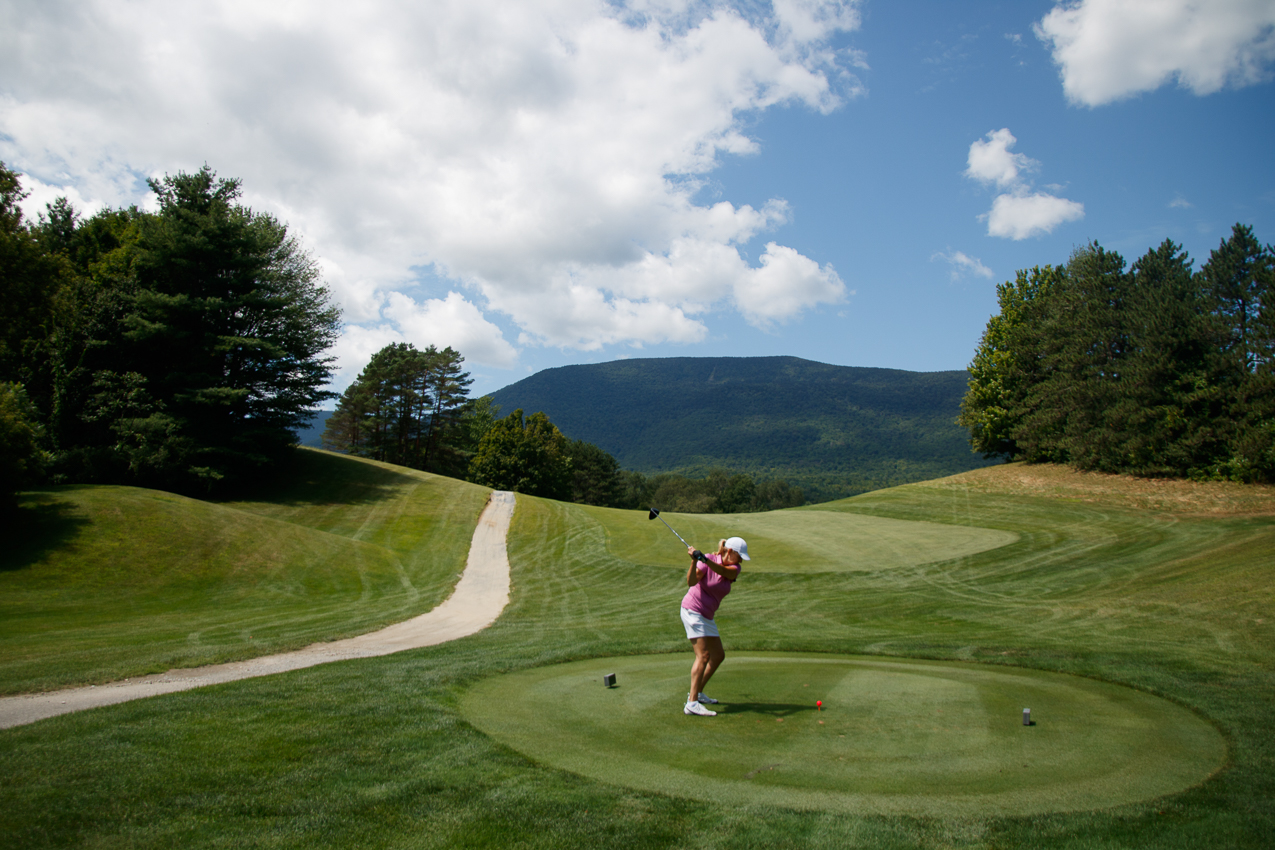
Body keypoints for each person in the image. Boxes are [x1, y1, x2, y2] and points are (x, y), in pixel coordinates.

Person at [680, 535, 749, 716]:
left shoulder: (735, 568)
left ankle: (697, 692)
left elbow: (723, 572)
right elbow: (691, 582)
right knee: (703, 656)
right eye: (739, 555)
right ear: (730, 552)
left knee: (718, 655)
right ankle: (692, 703)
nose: (741, 559)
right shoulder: (709, 559)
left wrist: (705, 560)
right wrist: (695, 562)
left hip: (707, 615)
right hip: (693, 610)